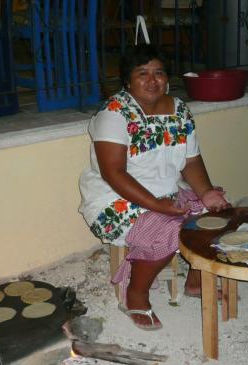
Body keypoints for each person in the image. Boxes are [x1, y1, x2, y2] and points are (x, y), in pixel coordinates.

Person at [79, 44, 230, 330]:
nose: (152, 81)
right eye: (142, 73)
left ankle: (196, 281)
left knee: (216, 214)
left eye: (158, 73)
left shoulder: (179, 110)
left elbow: (192, 160)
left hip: (167, 191)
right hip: (117, 199)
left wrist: (206, 192)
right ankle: (135, 295)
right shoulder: (114, 113)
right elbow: (114, 174)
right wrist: (158, 205)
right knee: (168, 230)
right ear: (127, 80)